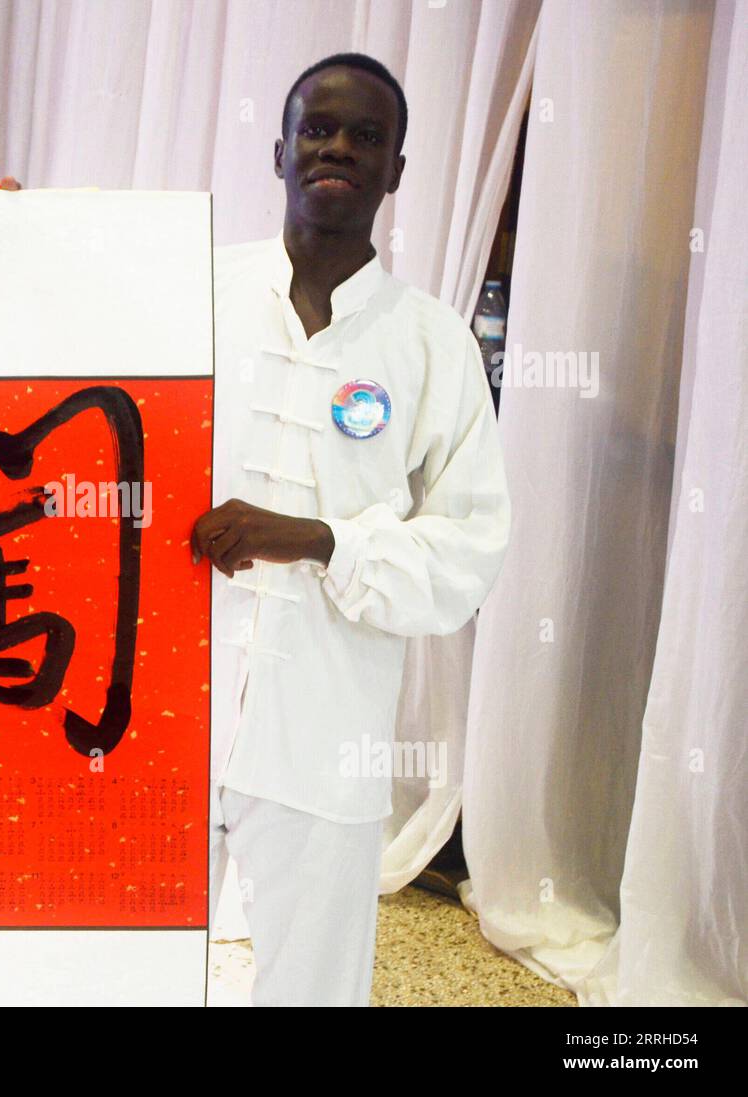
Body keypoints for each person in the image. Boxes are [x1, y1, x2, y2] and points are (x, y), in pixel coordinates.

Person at [192, 53, 511, 1006]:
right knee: (130, 967)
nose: (338, 148)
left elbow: (469, 552)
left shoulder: (430, 343)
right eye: (319, 129)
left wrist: (319, 537)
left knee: (313, 989)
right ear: (279, 149)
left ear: (397, 170)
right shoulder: (195, 292)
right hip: (167, 707)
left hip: (327, 732)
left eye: (366, 136)